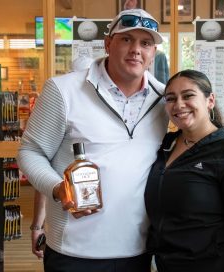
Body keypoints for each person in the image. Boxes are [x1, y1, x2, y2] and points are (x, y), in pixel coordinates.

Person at [17, 8, 168, 272]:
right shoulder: (63, 90)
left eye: (145, 43)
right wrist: (57, 188)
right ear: (108, 44)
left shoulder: (165, 100)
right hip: (73, 251)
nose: (136, 50)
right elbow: (30, 151)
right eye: (126, 39)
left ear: (153, 52)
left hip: (137, 250)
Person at [144, 69, 224, 272]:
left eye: (188, 95)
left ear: (210, 100)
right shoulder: (165, 144)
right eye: (171, 98)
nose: (179, 104)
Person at [29, 56, 95, 260]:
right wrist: (38, 226)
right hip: (67, 235)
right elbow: (42, 170)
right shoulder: (61, 105)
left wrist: (37, 226)